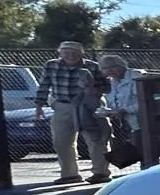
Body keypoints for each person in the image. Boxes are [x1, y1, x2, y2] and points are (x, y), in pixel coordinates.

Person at [33, 40, 109, 184]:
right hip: (63, 106)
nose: (70, 55)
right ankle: (69, 174)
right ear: (60, 52)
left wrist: (94, 89)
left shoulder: (92, 67)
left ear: (81, 53)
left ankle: (101, 172)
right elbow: (44, 85)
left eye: (74, 53)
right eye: (66, 52)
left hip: (88, 106)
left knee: (96, 140)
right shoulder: (51, 65)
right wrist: (39, 106)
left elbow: (107, 87)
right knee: (61, 141)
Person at [98, 54, 144, 170]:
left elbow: (144, 102)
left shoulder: (136, 77)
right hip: (124, 124)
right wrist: (109, 111)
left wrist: (124, 110)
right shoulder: (112, 82)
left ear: (121, 66)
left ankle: (147, 169)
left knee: (141, 148)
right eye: (105, 68)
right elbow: (113, 103)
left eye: (112, 67)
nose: (109, 71)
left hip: (141, 121)